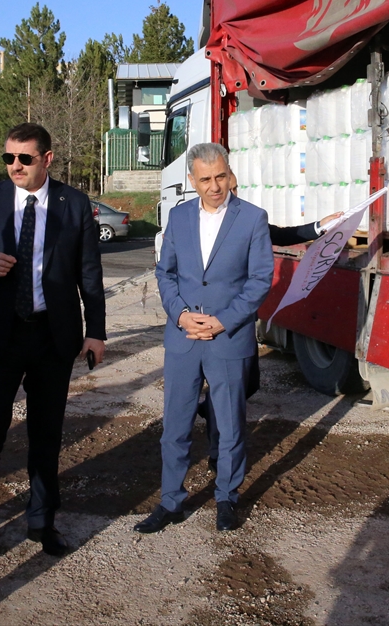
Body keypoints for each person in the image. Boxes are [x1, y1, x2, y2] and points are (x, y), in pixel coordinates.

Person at [0, 123, 106, 561]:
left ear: (47, 159)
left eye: (24, 158)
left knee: (46, 432)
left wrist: (96, 331)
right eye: (9, 158)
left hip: (51, 335)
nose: (14, 166)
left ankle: (41, 521)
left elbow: (89, 273)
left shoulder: (74, 204)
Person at [136, 143, 273, 534]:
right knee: (175, 426)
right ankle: (171, 501)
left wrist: (221, 321)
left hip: (228, 337)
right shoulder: (178, 217)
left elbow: (260, 279)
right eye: (206, 179)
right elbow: (165, 273)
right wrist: (180, 315)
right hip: (183, 337)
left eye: (221, 177)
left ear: (229, 174)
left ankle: (226, 498)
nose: (215, 186)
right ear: (192, 181)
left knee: (229, 426)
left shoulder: (253, 218)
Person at [197, 170, 343, 470]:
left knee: (249, 383)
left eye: (234, 188)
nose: (231, 194)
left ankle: (209, 408)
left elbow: (281, 234)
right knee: (227, 388)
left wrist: (319, 227)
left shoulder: (247, 218)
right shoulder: (198, 222)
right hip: (212, 318)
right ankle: (218, 453)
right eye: (227, 188)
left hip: (241, 317)